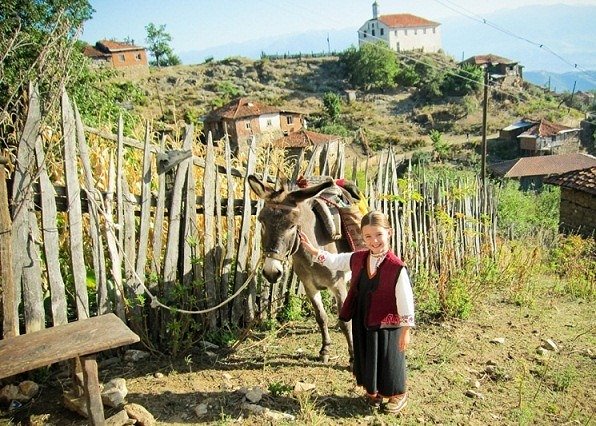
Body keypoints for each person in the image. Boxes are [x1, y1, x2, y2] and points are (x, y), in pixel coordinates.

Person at [299, 210, 415, 414]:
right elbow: (335, 261)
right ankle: (375, 391)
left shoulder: (397, 267)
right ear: (362, 236)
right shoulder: (359, 258)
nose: (374, 240)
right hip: (364, 319)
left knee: (390, 358)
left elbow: (405, 300)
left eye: (379, 234)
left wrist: (406, 329)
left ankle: (398, 394)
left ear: (390, 233)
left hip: (389, 322)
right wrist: (313, 250)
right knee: (369, 355)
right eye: (368, 236)